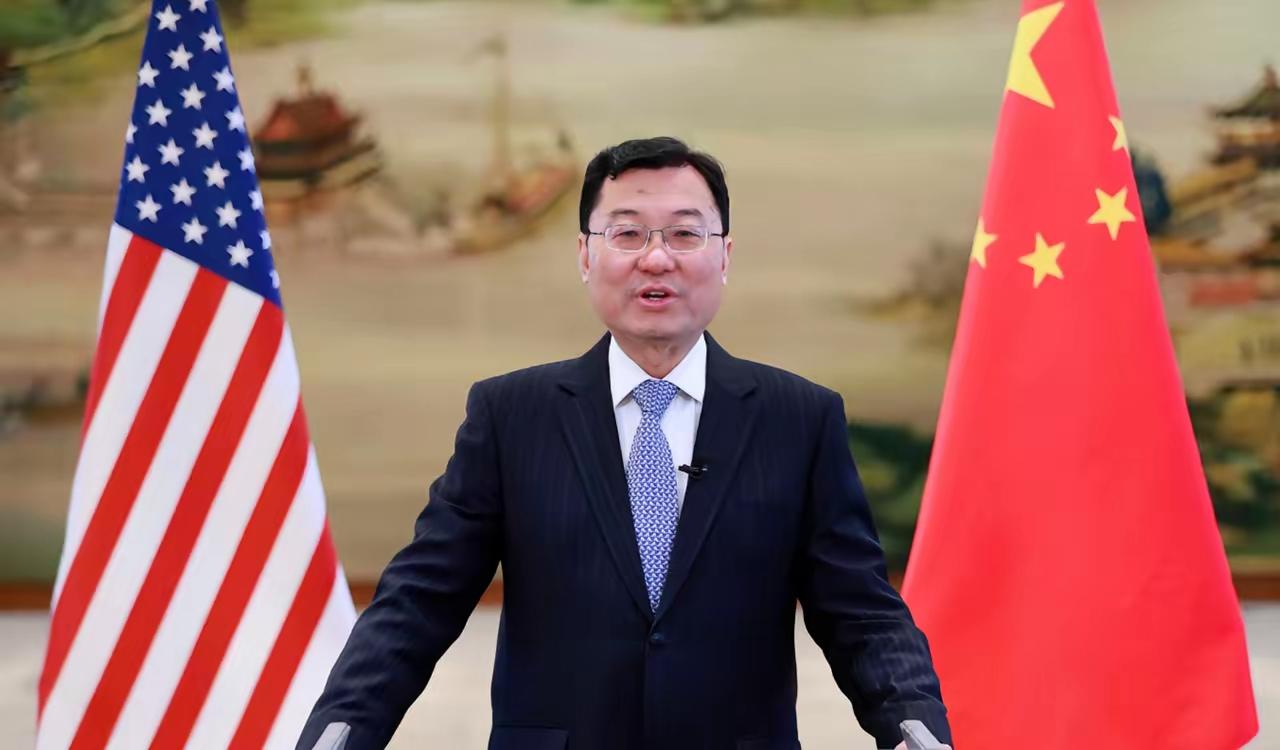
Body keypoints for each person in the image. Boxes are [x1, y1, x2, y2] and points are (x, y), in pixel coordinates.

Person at [296, 137, 951, 750]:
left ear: (724, 255)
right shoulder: (512, 416)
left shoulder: (798, 418)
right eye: (628, 233)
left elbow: (860, 611)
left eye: (685, 233)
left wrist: (914, 725)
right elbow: (419, 600)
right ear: (586, 255)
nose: (656, 258)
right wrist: (342, 729)